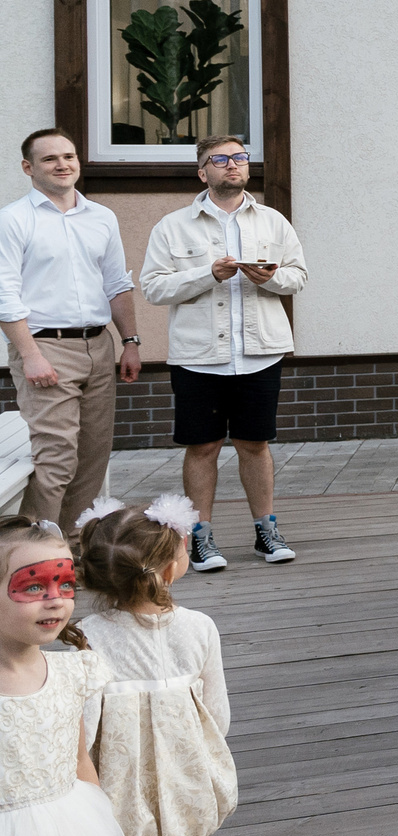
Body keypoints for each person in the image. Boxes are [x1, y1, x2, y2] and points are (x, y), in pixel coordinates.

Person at [0, 514, 185, 836]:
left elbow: (80, 761)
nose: (55, 599)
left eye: (65, 583)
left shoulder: (70, 672)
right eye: (32, 586)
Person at [69, 496, 237, 836]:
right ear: (170, 566)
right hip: (178, 792)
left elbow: (83, 727)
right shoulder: (199, 628)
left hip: (107, 797)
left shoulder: (86, 639)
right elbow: (218, 715)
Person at [138, 136, 307, 573]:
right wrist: (207, 273)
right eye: (220, 159)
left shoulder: (273, 222)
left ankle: (265, 531)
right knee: (203, 446)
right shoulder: (173, 226)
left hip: (260, 352)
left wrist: (266, 277)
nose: (232, 165)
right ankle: (200, 537)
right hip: (198, 356)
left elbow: (297, 277)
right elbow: (154, 287)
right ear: (202, 171)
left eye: (239, 158)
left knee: (255, 443)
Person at [0, 130, 142, 531]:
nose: (63, 164)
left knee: (92, 455)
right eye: (50, 159)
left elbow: (116, 283)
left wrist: (130, 342)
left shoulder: (101, 217)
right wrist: (30, 355)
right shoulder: (13, 220)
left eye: (69, 156)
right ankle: (31, 553)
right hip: (46, 347)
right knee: (57, 457)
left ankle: (74, 549)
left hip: (99, 346)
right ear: (28, 168)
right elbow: (4, 294)